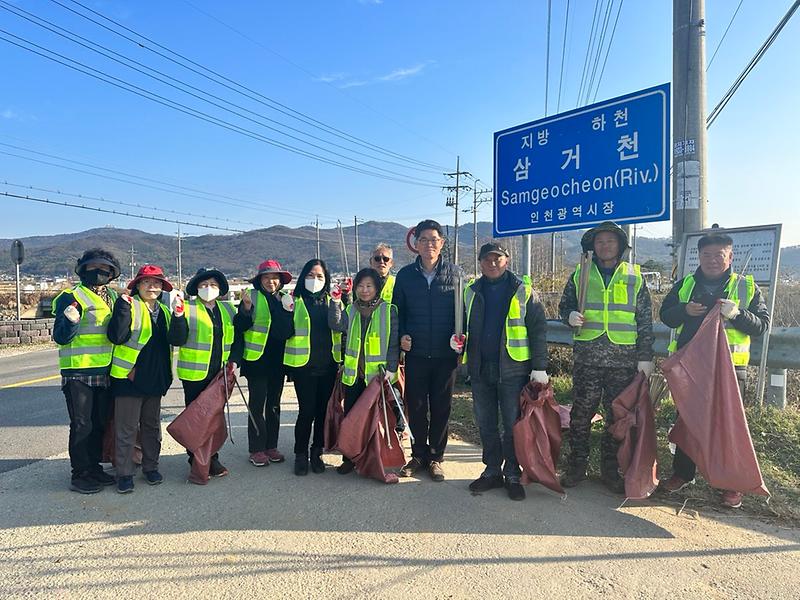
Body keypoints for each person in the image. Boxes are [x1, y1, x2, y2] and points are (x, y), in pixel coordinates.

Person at [659, 231, 769, 509]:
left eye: (718, 255)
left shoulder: (745, 287)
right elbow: (666, 316)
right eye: (706, 255)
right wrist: (685, 310)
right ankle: (683, 474)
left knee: (727, 427)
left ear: (729, 256)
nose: (711, 260)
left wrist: (737, 314)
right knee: (687, 420)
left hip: (729, 370)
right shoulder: (685, 285)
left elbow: (762, 326)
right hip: (691, 369)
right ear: (699, 256)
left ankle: (731, 485)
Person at [558, 221, 654, 493]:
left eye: (610, 241)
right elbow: (564, 305)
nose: (605, 246)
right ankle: (577, 465)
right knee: (580, 415)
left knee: (616, 418)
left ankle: (610, 470)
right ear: (593, 246)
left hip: (622, 361)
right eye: (600, 241)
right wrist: (569, 316)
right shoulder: (580, 273)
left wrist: (645, 356)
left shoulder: (635, 276)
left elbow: (645, 320)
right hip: (587, 356)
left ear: (620, 246)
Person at [454, 243, 548, 501]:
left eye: (498, 258)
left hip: (513, 369)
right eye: (487, 259)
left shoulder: (522, 290)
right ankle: (492, 470)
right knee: (486, 424)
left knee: (511, 425)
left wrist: (539, 367)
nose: (492, 263)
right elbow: (461, 324)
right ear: (480, 262)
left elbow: (538, 330)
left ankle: (513, 474)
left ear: (507, 260)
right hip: (480, 368)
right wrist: (457, 343)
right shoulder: (471, 291)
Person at [392, 219, 463, 482]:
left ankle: (436, 458)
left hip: (446, 356)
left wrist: (461, 339)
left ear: (442, 243)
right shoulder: (405, 276)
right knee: (417, 406)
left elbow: (462, 313)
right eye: (423, 240)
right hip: (417, 353)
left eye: (434, 239)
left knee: (442, 407)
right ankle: (418, 455)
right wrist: (402, 337)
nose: (429, 244)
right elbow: (397, 312)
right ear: (416, 244)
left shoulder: (456, 274)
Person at [52, 248, 122, 494]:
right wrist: (70, 321)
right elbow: (60, 337)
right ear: (82, 271)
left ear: (112, 273)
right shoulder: (70, 296)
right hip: (78, 372)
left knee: (99, 422)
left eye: (104, 270)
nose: (98, 273)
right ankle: (79, 473)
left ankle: (94, 467)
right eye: (92, 269)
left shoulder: (113, 297)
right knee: (82, 424)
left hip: (105, 370)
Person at [107, 265, 173, 494]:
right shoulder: (128, 305)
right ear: (137, 286)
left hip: (155, 379)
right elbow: (116, 335)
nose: (152, 287)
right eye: (147, 282)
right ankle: (124, 473)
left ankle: (151, 467)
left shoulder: (164, 311)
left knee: (152, 427)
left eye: (157, 283)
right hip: (129, 378)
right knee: (126, 429)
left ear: (163, 288)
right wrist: (123, 309)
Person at [328, 267, 400, 474]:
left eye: (369, 286)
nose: (364, 290)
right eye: (360, 286)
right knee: (352, 419)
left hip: (377, 377)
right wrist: (335, 301)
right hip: (354, 376)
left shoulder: (389, 310)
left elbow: (393, 343)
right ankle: (349, 458)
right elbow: (336, 324)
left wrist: (392, 368)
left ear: (377, 288)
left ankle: (374, 457)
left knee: (375, 421)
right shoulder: (350, 309)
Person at [168, 267, 237, 481]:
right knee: (197, 419)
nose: (209, 289)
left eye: (213, 285)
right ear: (196, 288)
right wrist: (178, 316)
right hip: (195, 374)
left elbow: (238, 337)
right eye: (204, 285)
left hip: (219, 374)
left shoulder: (228, 310)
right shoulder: (187, 308)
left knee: (214, 418)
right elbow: (176, 338)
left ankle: (212, 456)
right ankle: (197, 458)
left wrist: (234, 360)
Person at [284, 259, 342, 476]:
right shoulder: (294, 301)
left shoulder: (333, 300)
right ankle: (300, 454)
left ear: (326, 279)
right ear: (302, 277)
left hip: (328, 366)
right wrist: (285, 312)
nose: (314, 280)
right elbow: (284, 332)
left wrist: (340, 300)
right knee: (306, 412)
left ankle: (317, 452)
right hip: (303, 367)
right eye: (310, 275)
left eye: (319, 276)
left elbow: (340, 329)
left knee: (321, 412)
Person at [235, 259, 295, 467]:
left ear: (280, 281)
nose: (271, 281)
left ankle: (271, 446)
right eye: (267, 277)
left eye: (275, 278)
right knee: (257, 405)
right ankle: (256, 449)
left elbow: (287, 332)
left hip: (278, 362)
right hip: (256, 361)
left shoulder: (285, 299)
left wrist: (288, 312)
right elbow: (239, 327)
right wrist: (245, 309)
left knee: (274, 405)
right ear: (259, 280)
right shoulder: (251, 297)